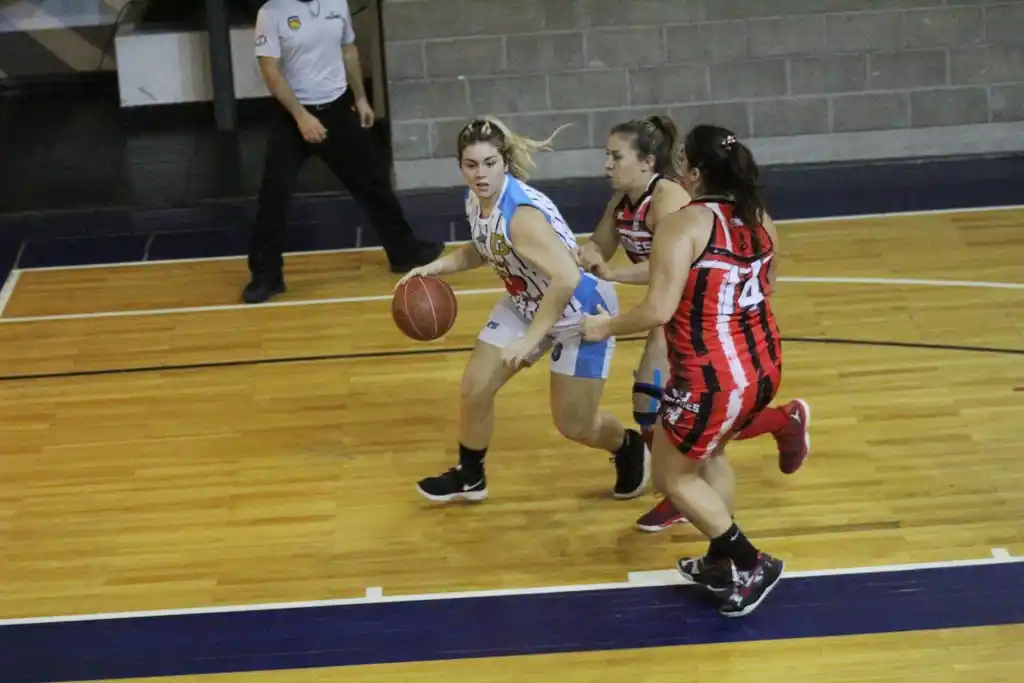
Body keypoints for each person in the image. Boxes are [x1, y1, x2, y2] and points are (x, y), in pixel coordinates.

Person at [582, 124, 785, 618]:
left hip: (712, 373)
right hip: (763, 361)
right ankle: (720, 559)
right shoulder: (761, 218)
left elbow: (656, 309)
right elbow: (769, 286)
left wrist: (603, 326)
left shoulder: (684, 223)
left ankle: (751, 561)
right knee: (709, 455)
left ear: (691, 173)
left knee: (672, 477)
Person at [396, 116, 649, 504]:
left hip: (580, 311)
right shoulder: (478, 200)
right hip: (527, 301)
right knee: (474, 389)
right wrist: (436, 267)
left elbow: (565, 278)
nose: (481, 174)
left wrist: (531, 340)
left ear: (505, 161)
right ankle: (470, 476)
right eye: (471, 165)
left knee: (574, 424)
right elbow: (484, 247)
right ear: (461, 166)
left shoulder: (521, 216)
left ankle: (627, 445)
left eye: (490, 163)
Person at [245, 0, 443, 303]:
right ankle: (266, 277)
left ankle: (405, 251)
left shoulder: (337, 3)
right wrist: (302, 118)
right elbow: (270, 71)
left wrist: (360, 98)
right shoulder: (271, 12)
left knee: (373, 182)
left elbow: (348, 49)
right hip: (292, 115)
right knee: (274, 195)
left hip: (337, 109)